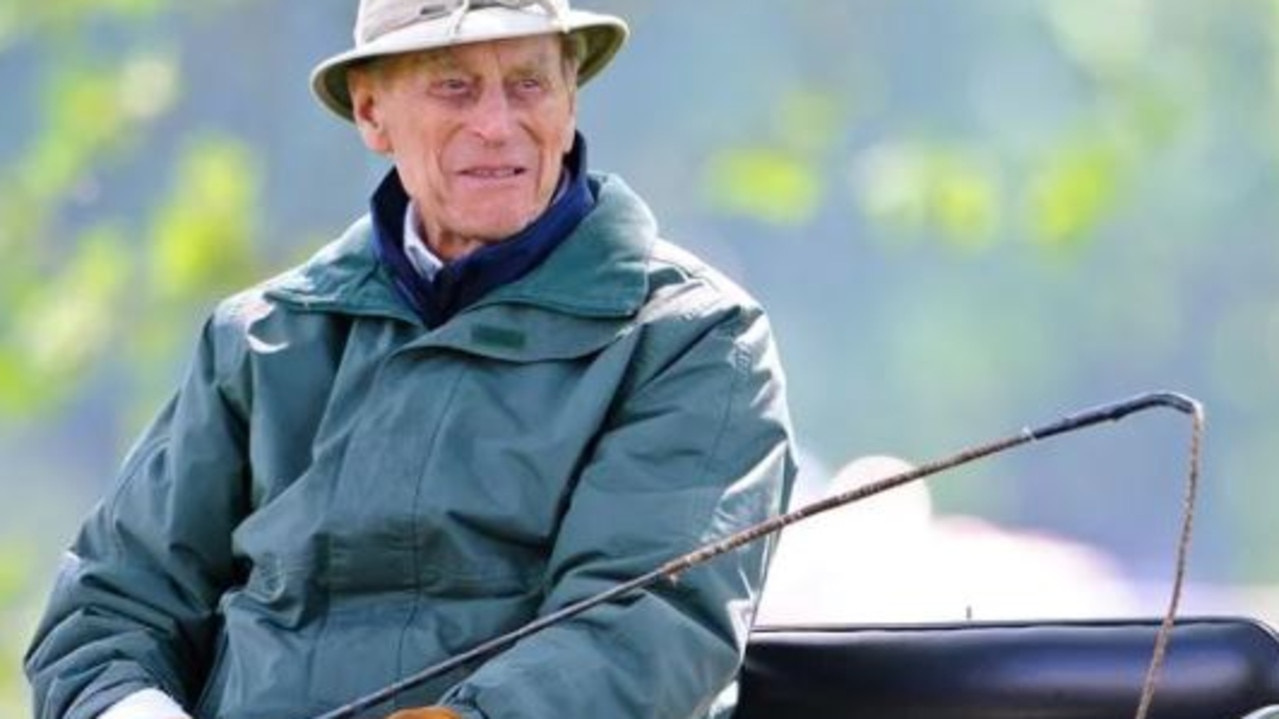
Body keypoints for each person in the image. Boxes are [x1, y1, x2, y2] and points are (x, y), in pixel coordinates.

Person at [23, 1, 797, 718]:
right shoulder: (258, 340)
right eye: (455, 89)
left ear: (570, 98)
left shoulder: (694, 337)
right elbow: (106, 612)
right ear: (370, 110)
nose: (497, 124)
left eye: (527, 83)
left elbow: (648, 629)